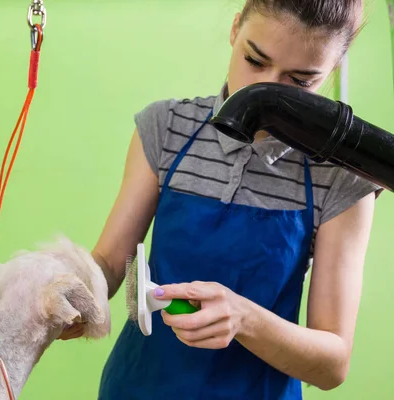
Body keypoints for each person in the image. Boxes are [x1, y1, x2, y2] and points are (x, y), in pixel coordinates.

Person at [59, 0, 381, 398]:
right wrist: (64, 294)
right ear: (234, 30)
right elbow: (110, 263)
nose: (268, 94)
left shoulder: (341, 176)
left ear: (331, 69)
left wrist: (245, 320)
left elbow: (332, 364)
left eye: (300, 81)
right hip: (139, 386)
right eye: (255, 60)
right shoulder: (166, 127)